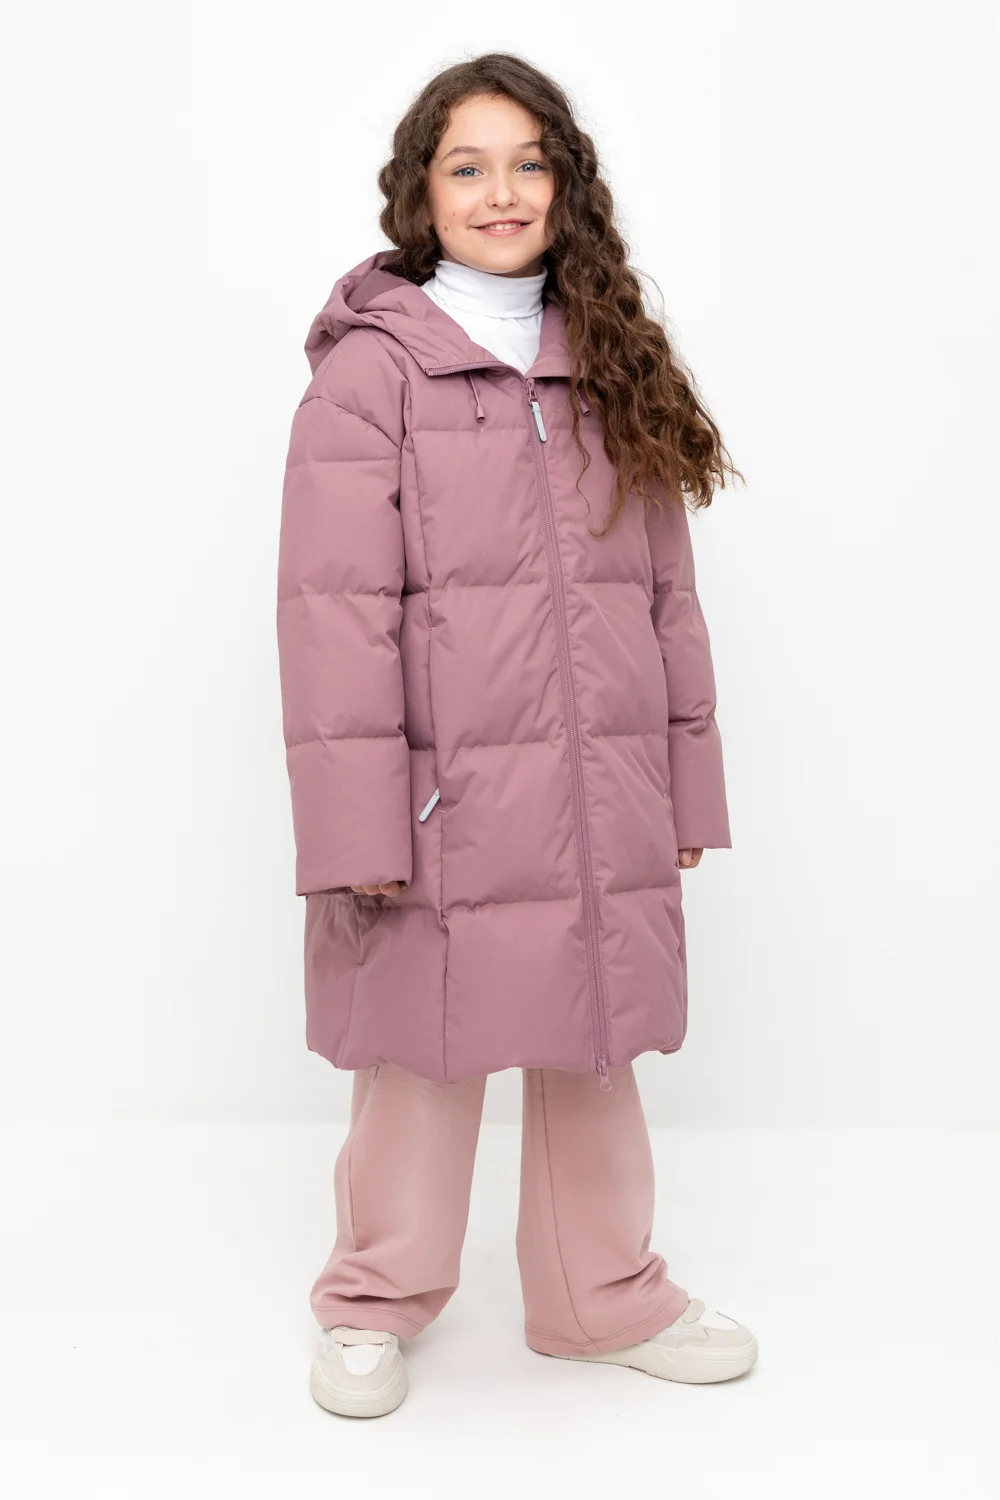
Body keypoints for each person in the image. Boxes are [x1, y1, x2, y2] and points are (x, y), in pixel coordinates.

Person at [276, 52, 757, 1419]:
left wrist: (684, 791)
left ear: (567, 186)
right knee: (424, 1051)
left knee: (594, 1042)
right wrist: (357, 828)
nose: (502, 192)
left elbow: (665, 598)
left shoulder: (607, 365)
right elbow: (331, 618)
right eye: (468, 166)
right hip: (445, 801)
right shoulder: (371, 379)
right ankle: (374, 1299)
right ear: (421, 193)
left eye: (528, 163)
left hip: (601, 786)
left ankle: (602, 1294)